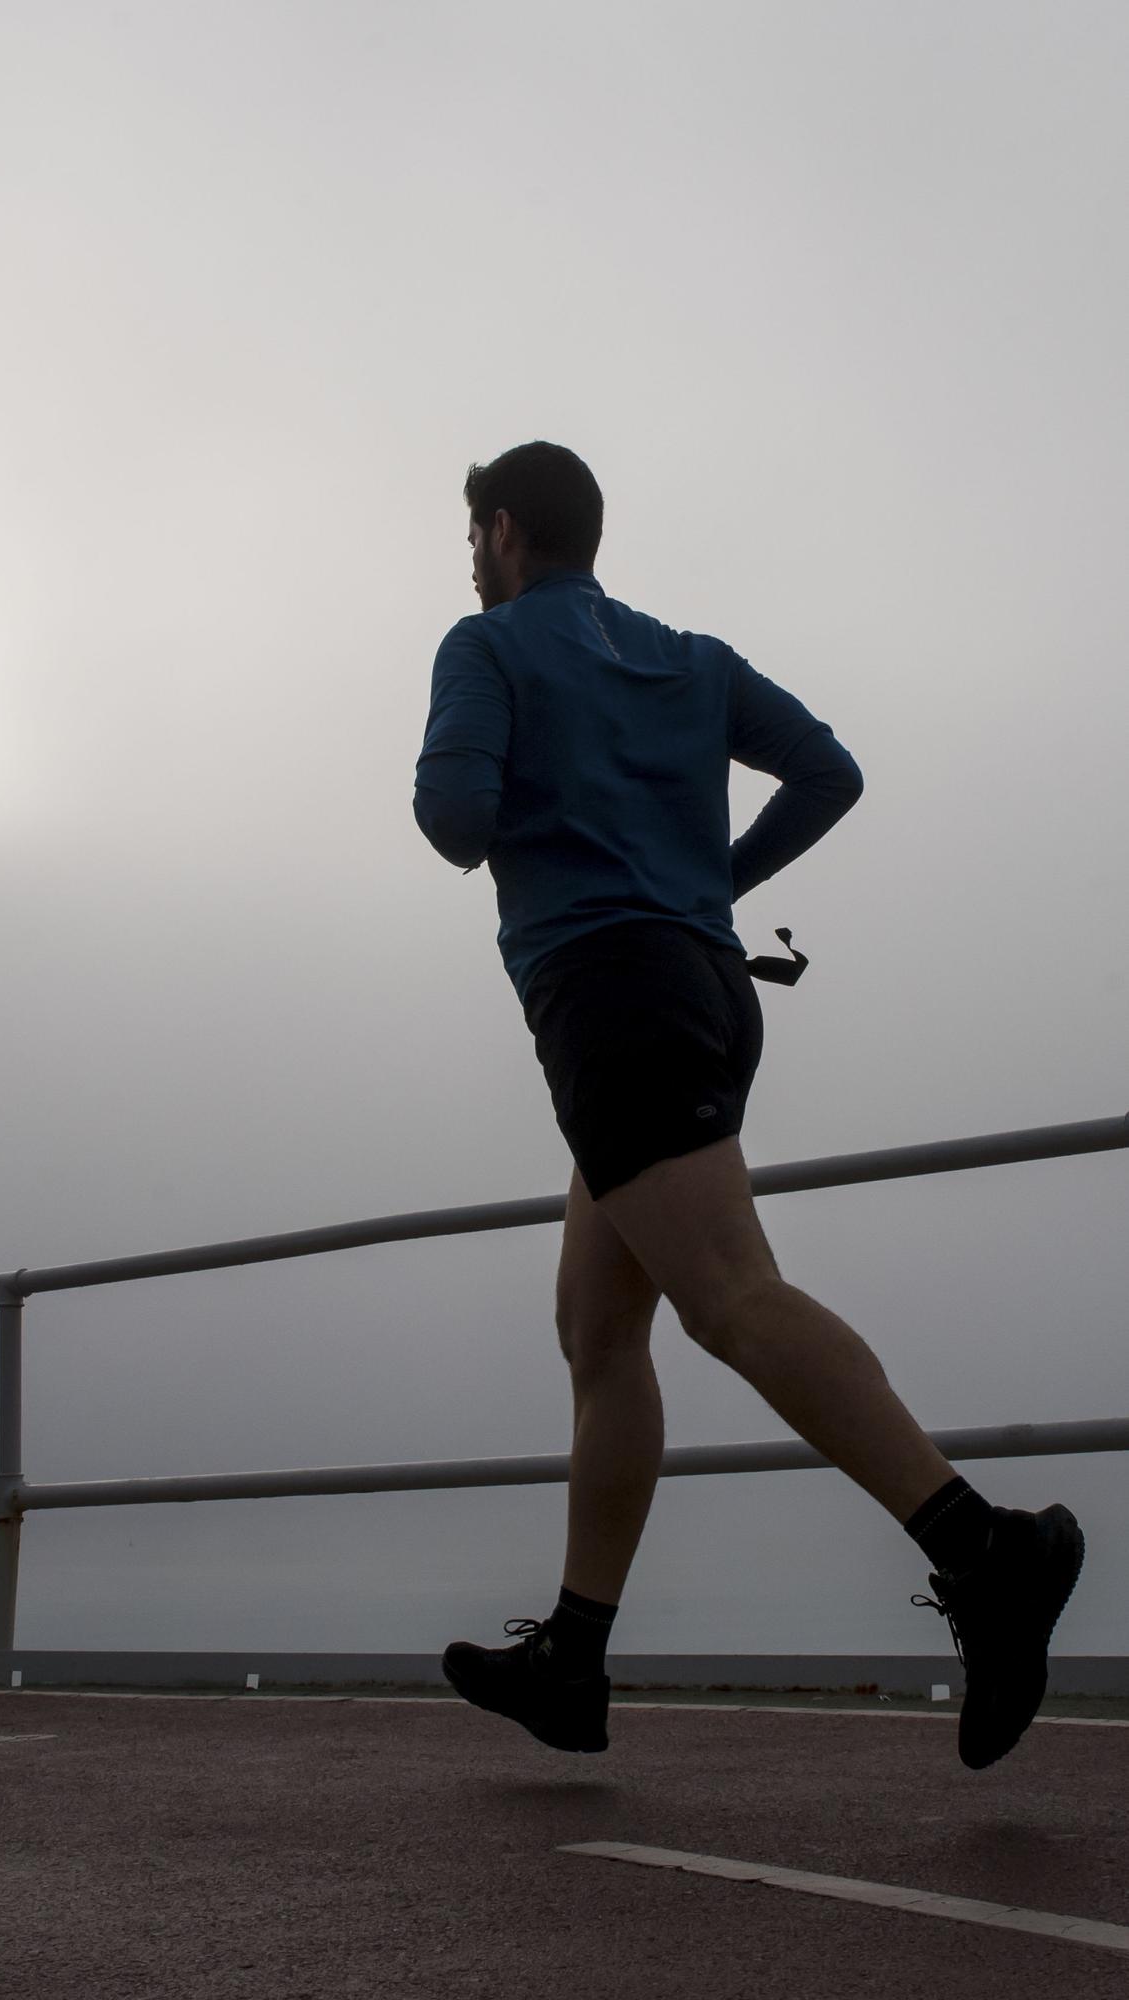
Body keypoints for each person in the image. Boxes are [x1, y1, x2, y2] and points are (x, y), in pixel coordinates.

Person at [412, 439, 1084, 1768]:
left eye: (470, 535)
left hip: (610, 998)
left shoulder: (482, 649)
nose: (465, 559)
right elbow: (830, 771)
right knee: (599, 1329)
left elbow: (452, 817)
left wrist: (534, 805)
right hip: (707, 987)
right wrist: (712, 880)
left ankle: (983, 1549)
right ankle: (577, 1661)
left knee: (726, 1294)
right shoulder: (692, 660)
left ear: (502, 531)